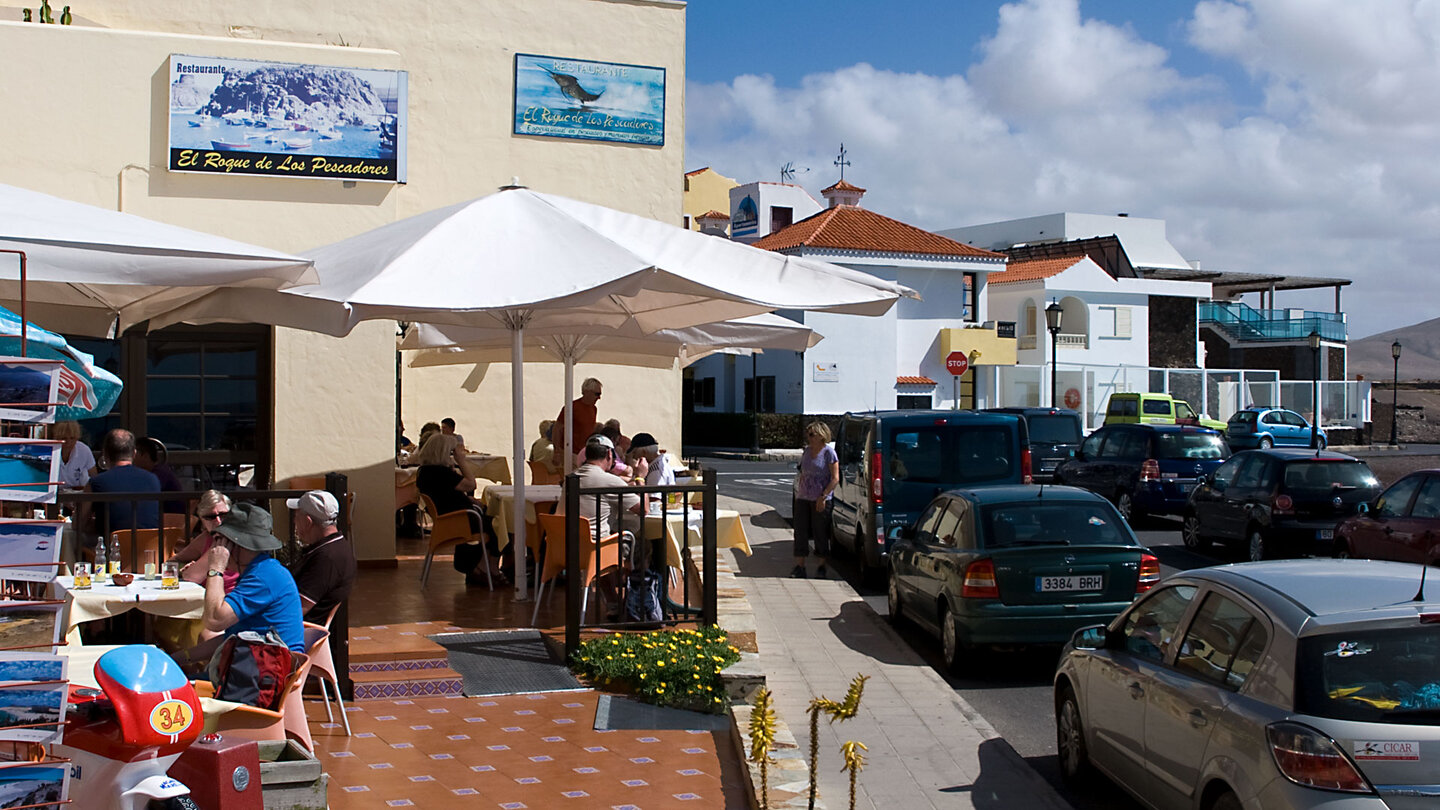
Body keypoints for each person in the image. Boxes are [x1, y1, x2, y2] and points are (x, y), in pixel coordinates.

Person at [187, 503, 305, 658]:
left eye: (220, 540)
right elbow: (229, 639)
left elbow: (214, 620)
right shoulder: (260, 570)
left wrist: (216, 568)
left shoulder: (264, 577)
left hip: (265, 675)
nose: (216, 547)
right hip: (254, 667)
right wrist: (182, 658)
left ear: (235, 545)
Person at [413, 430, 506, 585]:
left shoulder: (424, 471)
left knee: (489, 520)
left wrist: (466, 499)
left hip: (448, 518)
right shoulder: (441, 473)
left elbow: (443, 494)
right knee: (498, 524)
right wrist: (462, 461)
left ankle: (480, 568)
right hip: (459, 520)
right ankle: (490, 567)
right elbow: (471, 484)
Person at [287, 490, 356, 626]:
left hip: (297, 634)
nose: (294, 521)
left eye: (296, 515)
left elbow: (297, 610)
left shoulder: (327, 558)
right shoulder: (335, 546)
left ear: (308, 522)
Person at [83, 429, 161, 540]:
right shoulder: (153, 479)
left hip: (112, 551)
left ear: (105, 454)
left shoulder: (97, 482)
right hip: (149, 551)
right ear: (134, 453)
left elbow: (79, 523)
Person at [168, 490, 240, 592]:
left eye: (223, 515)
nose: (218, 521)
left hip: (237, 596)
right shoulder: (205, 539)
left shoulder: (241, 539)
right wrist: (184, 567)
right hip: (205, 598)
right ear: (202, 521)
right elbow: (171, 563)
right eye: (210, 517)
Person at [792, 421, 839, 579]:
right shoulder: (806, 451)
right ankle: (800, 566)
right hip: (803, 497)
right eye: (808, 434)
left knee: (820, 532)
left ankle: (821, 566)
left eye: (812, 434)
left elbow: (835, 478)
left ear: (821, 436)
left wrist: (823, 496)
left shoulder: (828, 453)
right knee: (800, 531)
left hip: (820, 499)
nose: (809, 437)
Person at [550, 377, 602, 467]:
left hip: (585, 454)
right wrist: (557, 451)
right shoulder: (572, 407)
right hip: (570, 452)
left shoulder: (594, 409)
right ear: (587, 391)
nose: (599, 398)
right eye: (597, 394)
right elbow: (557, 428)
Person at [135, 437, 186, 514]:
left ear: (145, 455)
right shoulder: (159, 471)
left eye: (134, 454)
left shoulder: (159, 474)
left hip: (172, 520)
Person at [50, 421, 96, 490]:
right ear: (56, 437)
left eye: (72, 438)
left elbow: (94, 477)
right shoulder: (48, 450)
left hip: (77, 495)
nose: (68, 442)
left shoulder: (84, 450)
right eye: (64, 438)